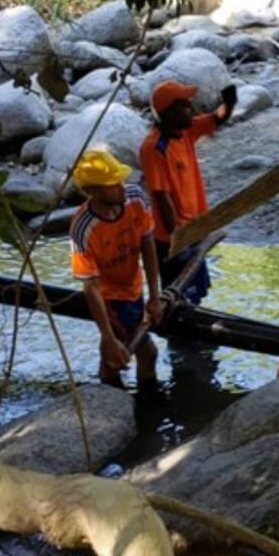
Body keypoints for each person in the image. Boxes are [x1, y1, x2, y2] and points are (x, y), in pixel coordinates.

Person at [69, 149, 163, 391]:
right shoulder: (83, 229)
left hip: (134, 285)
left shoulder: (136, 199)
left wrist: (154, 296)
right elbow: (90, 286)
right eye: (113, 185)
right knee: (148, 352)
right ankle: (145, 402)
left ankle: (109, 385)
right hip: (109, 296)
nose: (122, 188)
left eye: (120, 182)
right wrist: (107, 336)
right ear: (94, 192)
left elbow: (148, 244)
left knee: (115, 354)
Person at [139, 80, 237, 305]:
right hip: (173, 238)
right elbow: (161, 196)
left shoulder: (187, 131)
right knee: (179, 298)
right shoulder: (154, 148)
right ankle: (183, 338)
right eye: (185, 105)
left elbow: (217, 118)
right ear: (169, 112)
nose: (192, 110)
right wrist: (178, 239)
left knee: (196, 293)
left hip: (194, 229)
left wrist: (230, 101)